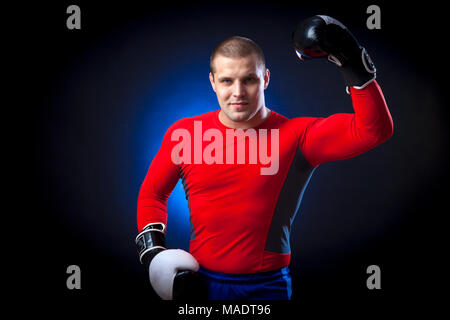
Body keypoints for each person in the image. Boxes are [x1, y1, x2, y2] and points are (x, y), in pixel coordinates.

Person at [135, 15, 393, 300]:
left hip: (267, 288)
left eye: (249, 79)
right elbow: (152, 195)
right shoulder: (184, 134)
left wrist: (355, 64)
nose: (238, 92)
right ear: (212, 82)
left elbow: (373, 130)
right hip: (199, 283)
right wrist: (153, 251)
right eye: (226, 80)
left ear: (266, 78)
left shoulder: (297, 135)